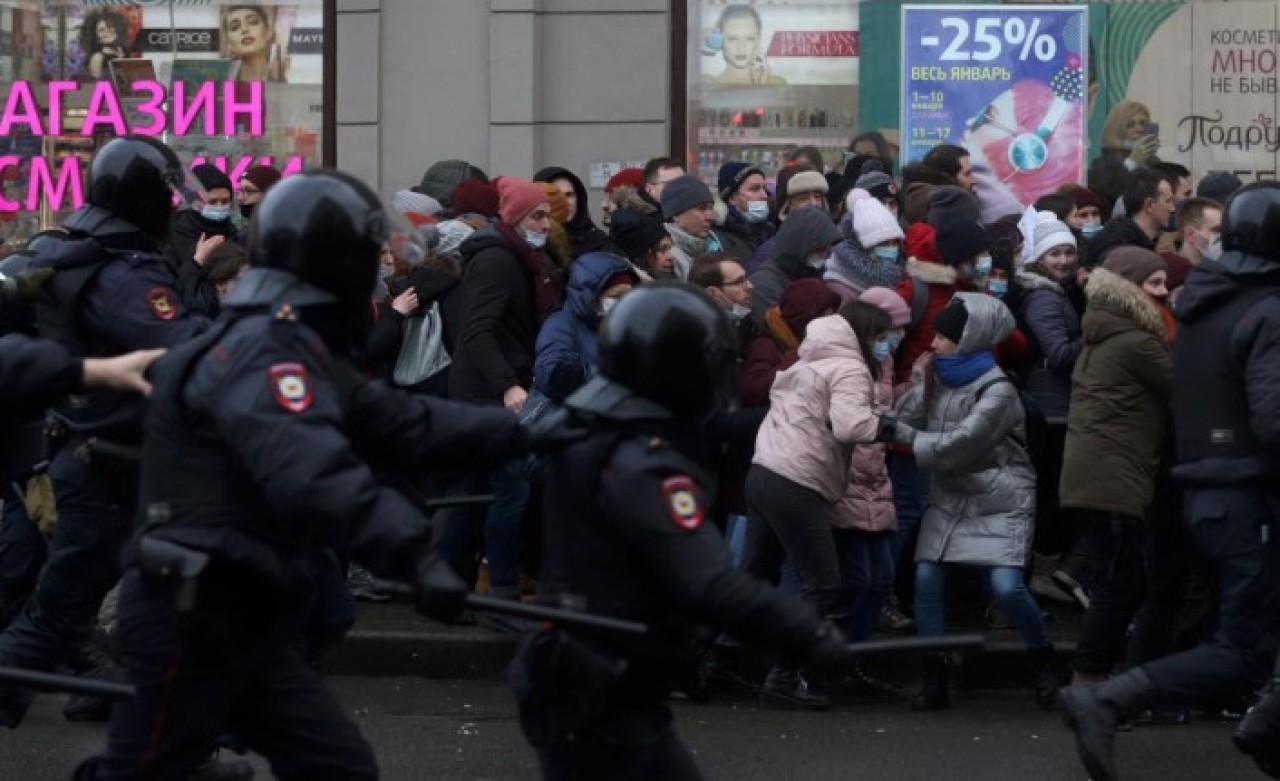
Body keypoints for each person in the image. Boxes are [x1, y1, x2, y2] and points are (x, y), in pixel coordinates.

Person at [70, 169, 536, 781]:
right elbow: (313, 467)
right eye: (368, 254)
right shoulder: (263, 351)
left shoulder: (290, 341)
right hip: (192, 615)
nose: (376, 266)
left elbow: (397, 419)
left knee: (335, 766)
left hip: (241, 613)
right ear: (333, 263)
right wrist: (414, 553)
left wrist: (531, 430)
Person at [514, 283, 849, 779]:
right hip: (604, 686)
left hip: (585, 674)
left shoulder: (590, 428)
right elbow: (710, 580)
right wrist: (806, 630)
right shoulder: (648, 468)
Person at [1060, 183, 1280, 781]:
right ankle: (1106, 697)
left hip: (1208, 492)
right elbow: (1273, 416)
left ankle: (1270, 729)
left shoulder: (1208, 302)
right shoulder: (1267, 307)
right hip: (1249, 494)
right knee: (1241, 650)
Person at [0, 137, 209, 730]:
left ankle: (165, 737)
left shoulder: (66, 251)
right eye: (169, 196)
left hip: (89, 456)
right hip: (106, 468)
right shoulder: (125, 277)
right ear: (146, 200)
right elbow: (186, 352)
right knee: (55, 617)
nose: (176, 208)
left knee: (118, 609)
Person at [885, 294, 1061, 711]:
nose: (934, 344)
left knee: (1006, 587)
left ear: (970, 339)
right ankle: (934, 675)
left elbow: (960, 446)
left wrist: (897, 434)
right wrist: (915, 382)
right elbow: (905, 415)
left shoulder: (998, 390)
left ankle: (1044, 661)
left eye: (944, 337)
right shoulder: (938, 373)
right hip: (950, 495)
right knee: (926, 578)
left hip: (1001, 496)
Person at [745, 300, 888, 709]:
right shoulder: (849, 368)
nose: (886, 345)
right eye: (881, 337)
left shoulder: (807, 359)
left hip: (764, 470)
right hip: (797, 479)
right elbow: (850, 425)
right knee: (823, 584)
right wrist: (896, 429)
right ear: (863, 336)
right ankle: (783, 677)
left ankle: (697, 659)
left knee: (753, 578)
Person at [1058, 248, 1173, 689]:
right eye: (1156, 285)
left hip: (1095, 475)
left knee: (1117, 583)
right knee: (1119, 587)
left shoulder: (1104, 334)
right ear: (1130, 289)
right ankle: (1087, 684)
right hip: (1114, 480)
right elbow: (1182, 388)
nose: (1164, 295)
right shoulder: (1139, 343)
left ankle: (1090, 682)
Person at [533, 253, 636, 404]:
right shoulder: (562, 323)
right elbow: (551, 373)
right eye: (616, 296)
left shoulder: (625, 327)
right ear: (592, 296)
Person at [749, 207, 841, 329]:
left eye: (828, 248)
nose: (826, 255)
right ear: (800, 246)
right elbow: (781, 332)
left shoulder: (810, 274)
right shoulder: (764, 283)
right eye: (820, 249)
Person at [169, 163, 242, 318]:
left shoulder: (233, 234)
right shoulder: (175, 235)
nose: (220, 207)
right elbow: (169, 290)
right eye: (212, 202)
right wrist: (197, 262)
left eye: (225, 201)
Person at [1085, 167, 1173, 270]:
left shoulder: (1144, 243)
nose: (1173, 208)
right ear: (1149, 205)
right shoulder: (1120, 253)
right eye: (1168, 201)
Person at [824, 189, 905, 302]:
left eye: (895, 242)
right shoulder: (839, 289)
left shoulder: (899, 277)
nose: (891, 248)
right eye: (883, 243)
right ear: (861, 245)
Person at [534, 167, 610, 260]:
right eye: (556, 196)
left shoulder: (599, 241)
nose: (565, 202)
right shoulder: (532, 241)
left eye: (569, 195)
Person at [661, 174, 724, 281]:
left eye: (711, 208)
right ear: (676, 215)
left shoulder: (715, 244)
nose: (710, 217)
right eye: (702, 208)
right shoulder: (666, 256)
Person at [688, 252, 755, 350]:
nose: (750, 286)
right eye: (739, 282)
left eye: (746, 278)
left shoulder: (743, 320)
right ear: (712, 293)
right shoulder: (707, 343)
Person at [709, 4, 786, 86]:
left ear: (758, 40)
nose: (741, 48)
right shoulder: (709, 86)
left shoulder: (778, 83)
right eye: (732, 39)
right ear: (719, 40)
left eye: (750, 38)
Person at [716, 161, 774, 264]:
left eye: (764, 188)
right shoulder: (719, 240)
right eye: (755, 189)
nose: (764, 195)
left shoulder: (770, 230)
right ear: (732, 198)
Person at [225, 3, 285, 83]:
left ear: (268, 32)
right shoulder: (219, 87)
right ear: (229, 44)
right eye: (235, 27)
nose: (244, 29)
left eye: (252, 22)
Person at [608, 207, 671, 281]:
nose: (671, 256)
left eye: (670, 248)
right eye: (662, 249)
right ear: (641, 255)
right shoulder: (633, 289)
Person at [81, 9, 129, 80]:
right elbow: (95, 87)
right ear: (96, 38)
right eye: (101, 30)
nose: (107, 31)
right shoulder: (97, 57)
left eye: (109, 26)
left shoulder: (124, 52)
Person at [1174, 197, 1223, 266]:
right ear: (1190, 234)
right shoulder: (1167, 274)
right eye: (1216, 230)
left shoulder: (1223, 271)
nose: (1222, 236)